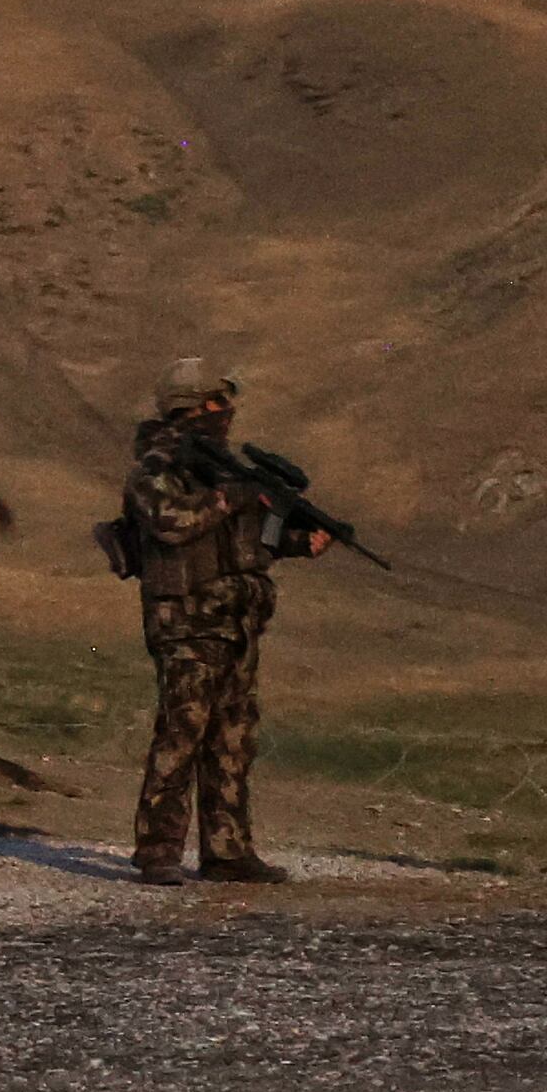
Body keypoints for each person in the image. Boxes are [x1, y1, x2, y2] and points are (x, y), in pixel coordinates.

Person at [113, 360, 324, 884]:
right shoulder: (156, 469)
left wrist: (300, 542)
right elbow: (170, 524)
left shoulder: (221, 467)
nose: (226, 414)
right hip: (185, 621)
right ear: (189, 407)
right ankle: (157, 850)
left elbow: (252, 543)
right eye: (215, 403)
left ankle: (227, 851)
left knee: (232, 737)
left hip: (236, 622)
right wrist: (229, 498)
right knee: (181, 733)